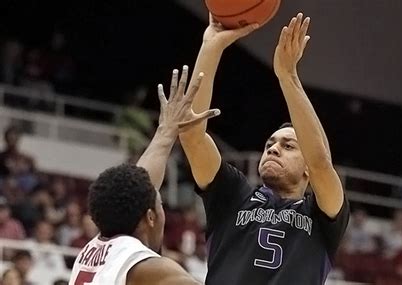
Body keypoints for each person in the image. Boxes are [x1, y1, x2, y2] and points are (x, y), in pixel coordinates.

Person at [179, 13, 349, 284]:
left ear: (307, 171)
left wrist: (288, 76)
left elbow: (320, 162)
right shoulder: (233, 196)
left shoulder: (321, 217)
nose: (273, 149)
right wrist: (210, 47)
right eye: (270, 144)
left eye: (288, 145)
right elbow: (191, 134)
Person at [69, 67, 220, 285]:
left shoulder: (94, 250)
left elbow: (141, 184)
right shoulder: (149, 268)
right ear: (150, 217)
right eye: (159, 203)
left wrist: (166, 132)